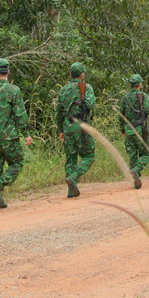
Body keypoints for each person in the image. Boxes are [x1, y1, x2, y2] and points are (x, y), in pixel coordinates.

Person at [0, 58, 32, 209]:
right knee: (17, 162)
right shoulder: (13, 90)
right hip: (9, 136)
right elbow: (20, 115)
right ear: (8, 72)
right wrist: (26, 134)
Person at [55, 62, 96, 198]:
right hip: (82, 125)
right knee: (89, 156)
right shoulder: (87, 87)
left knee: (71, 158)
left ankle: (71, 191)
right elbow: (91, 104)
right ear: (82, 74)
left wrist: (61, 129)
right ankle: (74, 177)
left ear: (71, 74)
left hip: (68, 126)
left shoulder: (64, 89)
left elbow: (59, 112)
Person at [118, 74, 149, 189]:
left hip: (128, 131)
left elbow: (121, 116)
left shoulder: (125, 98)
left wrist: (122, 129)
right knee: (146, 154)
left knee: (133, 156)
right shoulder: (143, 95)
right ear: (140, 85)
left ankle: (136, 181)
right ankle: (136, 170)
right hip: (140, 129)